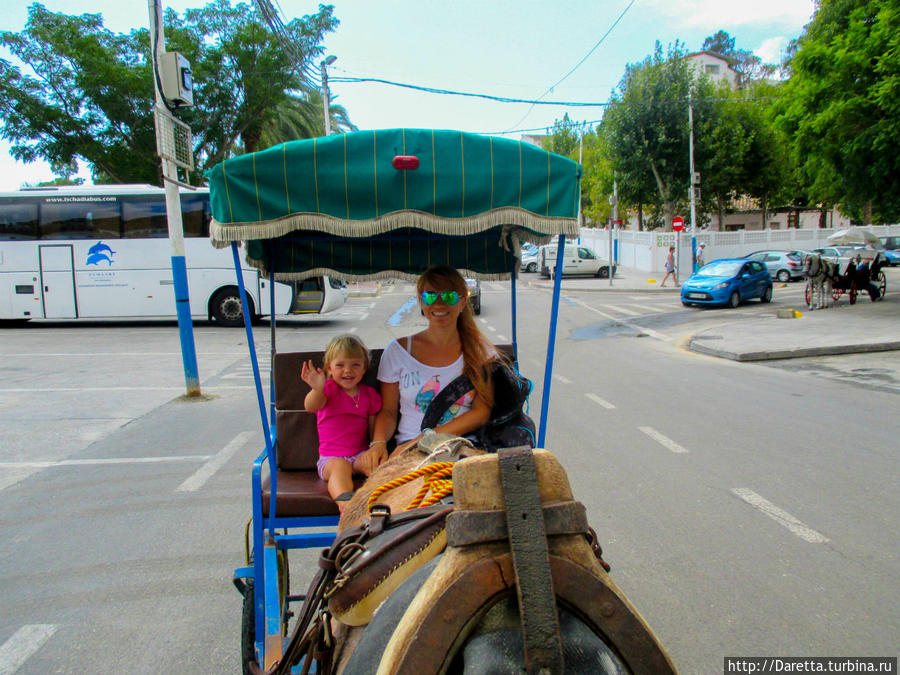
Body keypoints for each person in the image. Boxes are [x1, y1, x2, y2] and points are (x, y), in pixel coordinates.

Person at [370, 265, 497, 458]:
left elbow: (481, 412)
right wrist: (378, 444)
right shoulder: (397, 351)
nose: (439, 303)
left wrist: (426, 438)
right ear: (421, 301)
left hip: (461, 446)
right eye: (430, 295)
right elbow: (388, 411)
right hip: (410, 449)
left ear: (462, 302)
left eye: (448, 296)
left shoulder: (481, 351)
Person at [301, 334, 383, 509]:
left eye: (355, 365)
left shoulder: (370, 395)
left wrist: (373, 454)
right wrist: (317, 388)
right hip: (331, 459)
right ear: (329, 369)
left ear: (363, 369)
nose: (348, 371)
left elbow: (373, 430)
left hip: (359, 455)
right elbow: (311, 406)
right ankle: (346, 505)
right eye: (340, 365)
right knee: (341, 467)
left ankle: (380, 501)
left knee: (379, 465)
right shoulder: (327, 390)